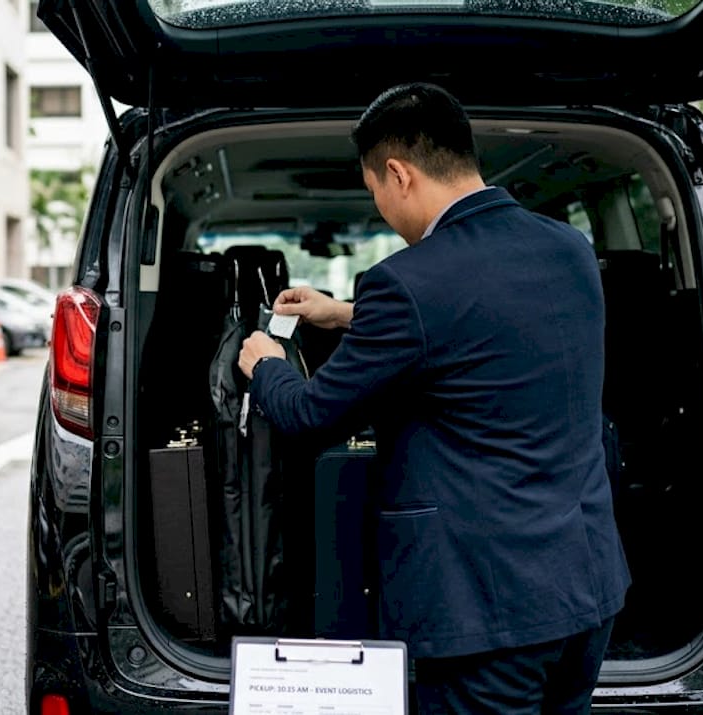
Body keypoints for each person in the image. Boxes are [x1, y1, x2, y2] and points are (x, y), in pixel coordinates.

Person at [237, 83, 631, 714]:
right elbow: (485, 321)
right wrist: (344, 313)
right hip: (586, 589)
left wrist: (268, 366)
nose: (383, 210)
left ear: (398, 174)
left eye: (374, 192)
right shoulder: (569, 251)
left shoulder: (407, 280)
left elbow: (310, 416)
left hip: (486, 611)